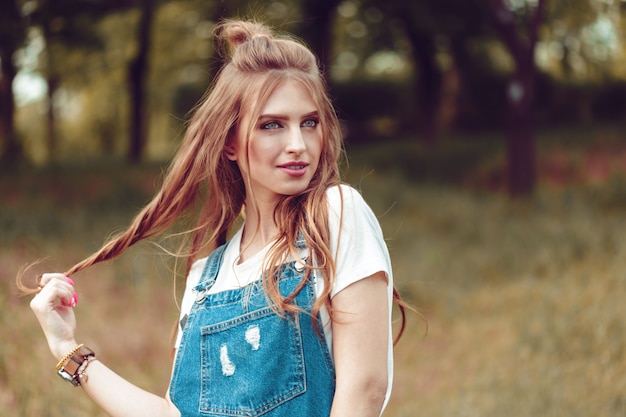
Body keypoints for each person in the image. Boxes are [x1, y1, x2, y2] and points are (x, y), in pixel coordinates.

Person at [19, 19, 413, 417]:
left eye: (309, 122)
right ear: (229, 142)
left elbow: (365, 389)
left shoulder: (335, 214)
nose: (298, 144)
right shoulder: (206, 277)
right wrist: (67, 348)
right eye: (271, 125)